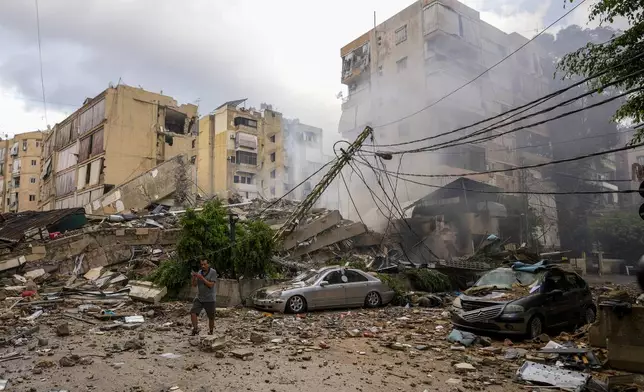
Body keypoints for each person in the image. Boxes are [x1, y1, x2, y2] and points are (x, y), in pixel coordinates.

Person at [190, 259, 218, 335]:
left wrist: (202, 278)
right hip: (199, 297)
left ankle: (211, 331)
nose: (203, 266)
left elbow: (211, 285)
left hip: (210, 298)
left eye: (204, 264)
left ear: (208, 264)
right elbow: (194, 285)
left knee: (211, 317)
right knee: (193, 312)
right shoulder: (199, 272)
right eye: (201, 264)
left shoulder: (213, 272)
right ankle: (195, 329)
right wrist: (194, 277)